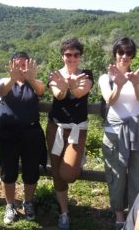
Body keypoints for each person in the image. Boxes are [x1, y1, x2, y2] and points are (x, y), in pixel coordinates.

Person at [98, 37, 139, 230]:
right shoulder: (105, 78)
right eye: (121, 52)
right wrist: (118, 84)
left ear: (133, 55)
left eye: (129, 53)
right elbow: (109, 100)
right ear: (115, 54)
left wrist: (135, 81)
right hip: (114, 133)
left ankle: (136, 219)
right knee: (116, 177)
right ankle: (120, 217)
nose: (125, 56)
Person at [46, 38, 94, 230]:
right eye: (68, 54)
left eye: (76, 54)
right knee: (57, 173)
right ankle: (64, 213)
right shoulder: (55, 75)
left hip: (77, 129)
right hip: (55, 128)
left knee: (68, 174)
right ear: (63, 55)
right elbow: (58, 95)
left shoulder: (87, 74)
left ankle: (76, 165)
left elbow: (82, 92)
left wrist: (71, 85)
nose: (72, 58)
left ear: (80, 57)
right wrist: (65, 85)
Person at [0, 51, 46, 224]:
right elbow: (2, 91)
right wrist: (12, 78)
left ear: (30, 65)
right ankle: (10, 205)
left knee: (31, 170)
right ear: (11, 65)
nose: (21, 67)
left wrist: (31, 78)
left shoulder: (35, 83)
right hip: (7, 133)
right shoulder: (4, 81)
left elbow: (41, 90)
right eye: (17, 64)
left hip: (31, 133)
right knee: (8, 171)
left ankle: (28, 203)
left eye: (24, 64)